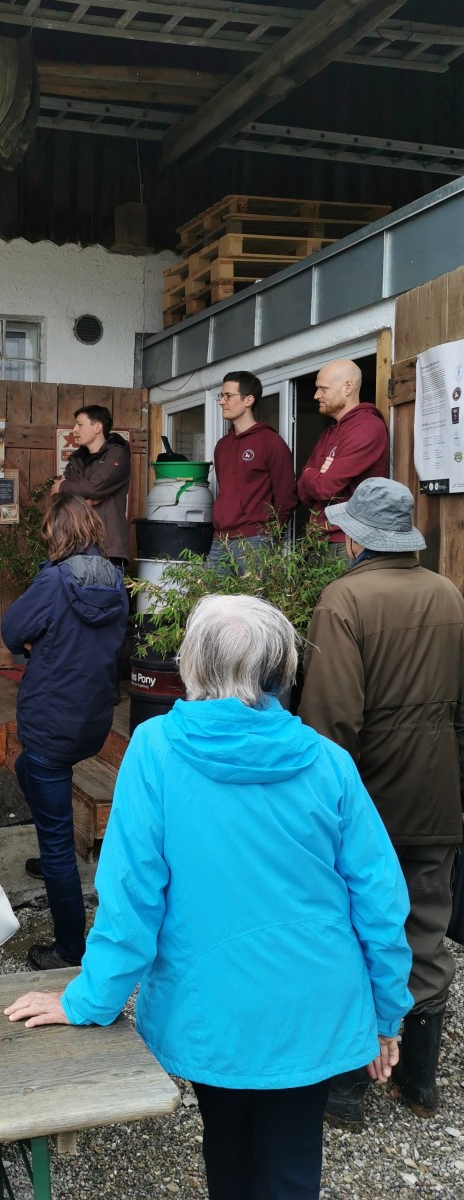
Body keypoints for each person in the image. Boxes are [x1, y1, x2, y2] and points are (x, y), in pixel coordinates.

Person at [5, 594, 412, 1200]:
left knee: (228, 1155)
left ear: (191, 663)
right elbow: (379, 901)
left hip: (211, 1005)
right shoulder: (330, 763)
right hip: (314, 1003)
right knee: (294, 1164)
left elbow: (131, 901)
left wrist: (90, 999)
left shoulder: (154, 750)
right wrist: (386, 1012)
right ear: (280, 670)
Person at [299, 477, 464, 1124]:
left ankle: (346, 1094)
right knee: (425, 926)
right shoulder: (450, 594)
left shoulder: (343, 600)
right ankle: (418, 1083)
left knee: (349, 931)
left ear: (359, 536)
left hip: (365, 805)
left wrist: (316, 813)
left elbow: (329, 722)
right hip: (436, 798)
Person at [1, 495, 128, 971]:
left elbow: (11, 629)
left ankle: (70, 948)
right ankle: (51, 850)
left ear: (58, 534)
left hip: (52, 720)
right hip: (91, 719)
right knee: (22, 767)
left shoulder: (54, 579)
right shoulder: (115, 579)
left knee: (58, 846)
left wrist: (37, 642)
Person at [297, 358, 388, 557]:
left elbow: (324, 487)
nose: (316, 395)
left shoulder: (367, 427)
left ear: (347, 387)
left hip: (347, 543)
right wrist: (315, 474)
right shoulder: (328, 433)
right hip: (320, 539)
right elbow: (303, 492)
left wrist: (312, 474)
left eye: (323, 389)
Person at [209, 370, 297, 573]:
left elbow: (287, 496)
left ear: (248, 400)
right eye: (221, 396)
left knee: (252, 603)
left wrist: (269, 533)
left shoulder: (271, 442)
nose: (222, 401)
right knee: (211, 600)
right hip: (220, 539)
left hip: (255, 540)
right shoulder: (222, 445)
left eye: (228, 396)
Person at [51, 405, 131, 572]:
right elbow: (59, 499)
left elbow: (94, 487)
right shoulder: (76, 460)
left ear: (97, 427)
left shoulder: (117, 455)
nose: (74, 430)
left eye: (80, 425)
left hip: (108, 549)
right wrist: (89, 498)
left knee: (106, 597)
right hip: (75, 546)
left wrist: (65, 486)